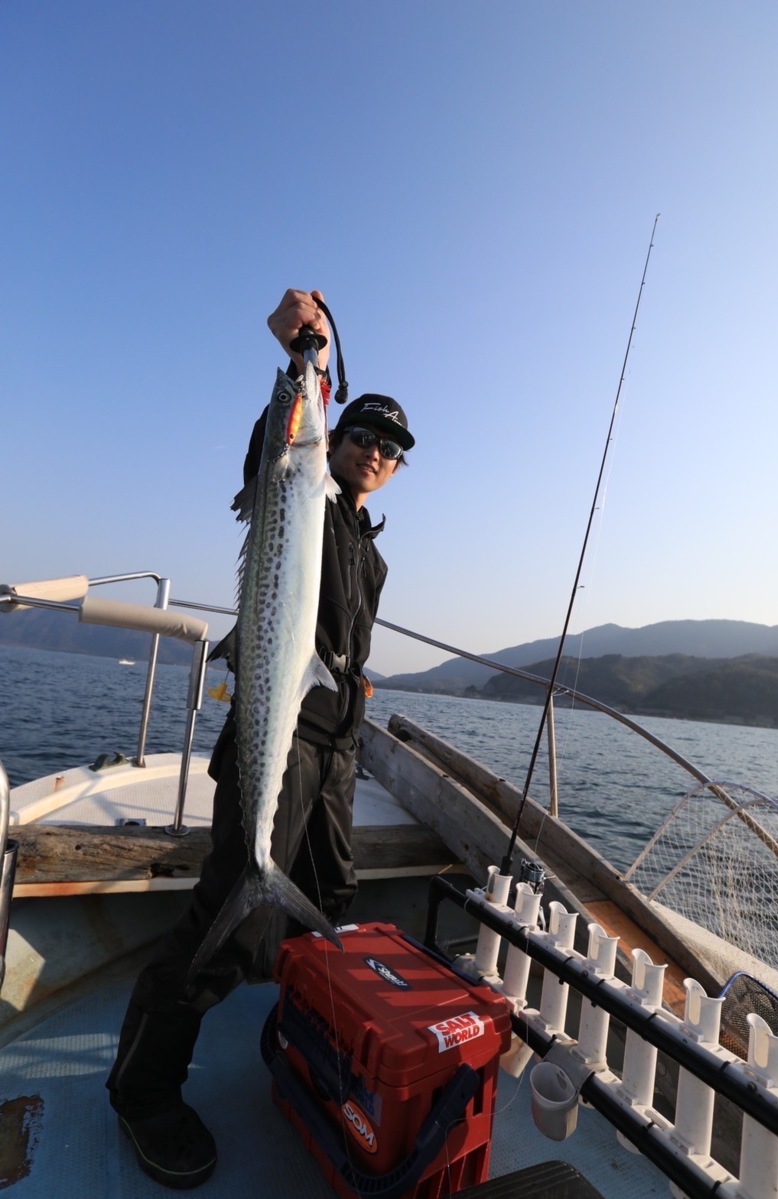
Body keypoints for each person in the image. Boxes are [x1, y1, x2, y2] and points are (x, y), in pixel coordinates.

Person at [105, 289, 415, 1189]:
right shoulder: (299, 481)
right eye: (364, 436)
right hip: (277, 739)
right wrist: (301, 362)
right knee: (232, 914)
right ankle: (142, 1093)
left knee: (328, 900)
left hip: (336, 755)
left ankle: (312, 1047)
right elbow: (276, 454)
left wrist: (351, 687)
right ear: (331, 432)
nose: (377, 455)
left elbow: (341, 639)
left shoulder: (367, 542)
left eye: (393, 451)